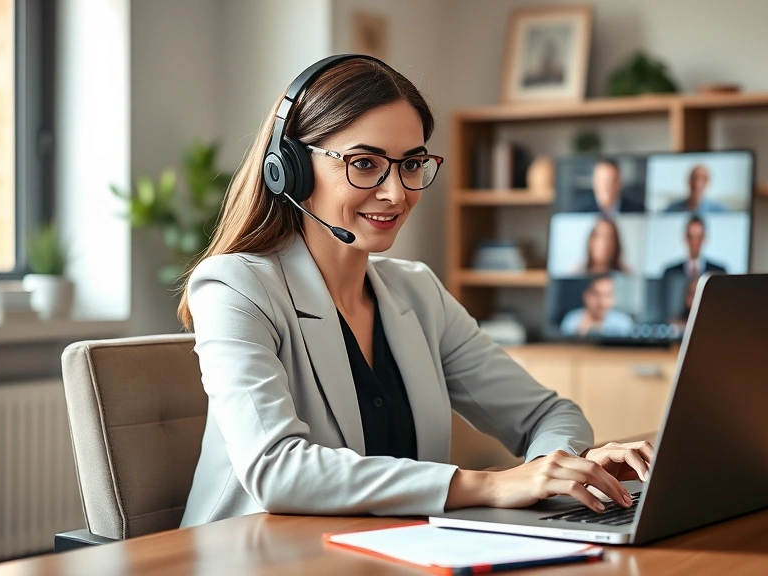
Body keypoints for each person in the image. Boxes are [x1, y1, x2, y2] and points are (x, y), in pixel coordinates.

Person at [177, 55, 651, 527]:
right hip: (259, 557)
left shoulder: (417, 292)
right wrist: (491, 484)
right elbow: (276, 469)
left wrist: (554, 471)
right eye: (364, 164)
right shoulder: (235, 288)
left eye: (412, 164)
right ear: (292, 169)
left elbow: (548, 413)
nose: (396, 193)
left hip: (398, 552)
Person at [559, 274, 634, 336]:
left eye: (608, 295)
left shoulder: (624, 323)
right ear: (587, 296)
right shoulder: (572, 321)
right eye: (597, 295)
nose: (602, 302)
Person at [662, 215, 727, 278]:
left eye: (698, 237)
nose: (695, 242)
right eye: (691, 237)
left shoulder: (718, 273)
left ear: (704, 238)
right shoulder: (670, 273)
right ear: (685, 238)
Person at [573, 159, 645, 214]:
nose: (607, 187)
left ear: (620, 182)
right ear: (594, 182)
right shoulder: (579, 211)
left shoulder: (637, 210)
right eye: (603, 181)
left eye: (612, 181)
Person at [664, 164, 728, 214]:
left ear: (707, 182)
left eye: (702, 179)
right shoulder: (673, 208)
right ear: (688, 181)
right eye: (694, 179)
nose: (697, 184)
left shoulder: (719, 210)